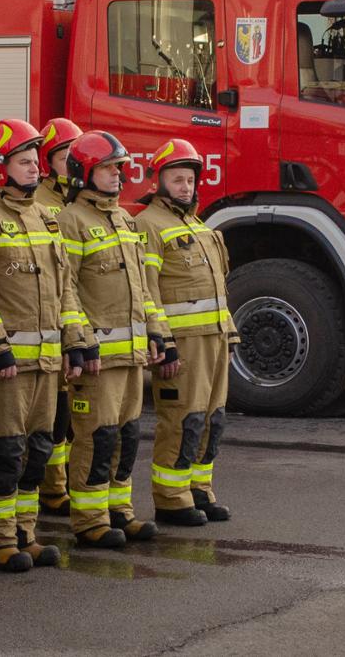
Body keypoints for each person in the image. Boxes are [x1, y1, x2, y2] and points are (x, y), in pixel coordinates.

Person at [0, 118, 93, 571]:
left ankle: (25, 532)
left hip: (47, 362)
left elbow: (65, 289)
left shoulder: (46, 217)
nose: (35, 170)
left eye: (36, 162)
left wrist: (75, 342)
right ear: (0, 168)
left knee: (38, 450)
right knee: (4, 450)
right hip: (5, 364)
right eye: (25, 162)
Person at [57, 130, 170, 546]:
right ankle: (89, 520)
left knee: (125, 435)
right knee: (96, 436)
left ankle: (119, 510)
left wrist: (156, 333)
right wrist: (79, 340)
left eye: (118, 168)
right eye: (107, 168)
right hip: (98, 357)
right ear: (85, 172)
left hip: (131, 355)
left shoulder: (123, 218)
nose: (116, 176)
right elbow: (64, 288)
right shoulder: (71, 221)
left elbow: (141, 289)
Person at [136, 139, 239, 527]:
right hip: (182, 345)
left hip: (212, 340)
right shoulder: (148, 225)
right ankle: (170, 498)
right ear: (159, 181)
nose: (185, 187)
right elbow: (145, 290)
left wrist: (228, 334)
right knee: (182, 418)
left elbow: (217, 289)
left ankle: (199, 489)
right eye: (176, 179)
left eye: (190, 180)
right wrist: (161, 341)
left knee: (212, 419)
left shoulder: (197, 225)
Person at [34, 116, 85, 516]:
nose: (71, 163)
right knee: (54, 416)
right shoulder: (40, 205)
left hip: (77, 321)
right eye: (64, 156)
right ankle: (52, 490)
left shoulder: (79, 201)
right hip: (51, 323)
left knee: (71, 418)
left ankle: (63, 482)